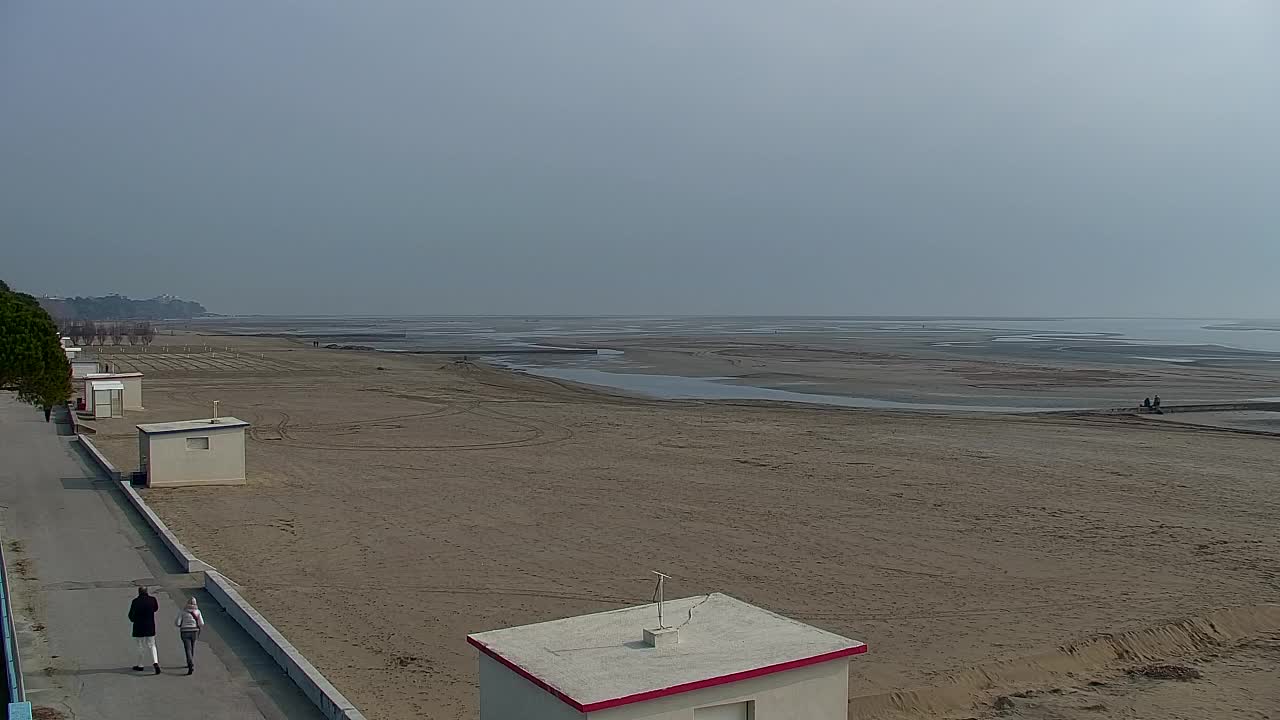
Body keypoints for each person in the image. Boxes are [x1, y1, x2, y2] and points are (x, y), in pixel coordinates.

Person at [128, 587, 161, 674]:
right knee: (152, 645)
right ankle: (155, 662)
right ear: (147, 591)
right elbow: (156, 608)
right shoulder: (152, 600)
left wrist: (134, 619)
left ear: (139, 592)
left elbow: (131, 615)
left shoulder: (135, 601)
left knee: (140, 646)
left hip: (139, 627)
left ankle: (140, 665)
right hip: (150, 626)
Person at [175, 597, 205, 675]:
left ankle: (190, 663)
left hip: (184, 631)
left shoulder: (183, 612)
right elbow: (201, 623)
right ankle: (190, 661)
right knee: (192, 647)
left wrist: (182, 624)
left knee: (187, 648)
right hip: (194, 631)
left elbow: (177, 623)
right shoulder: (198, 612)